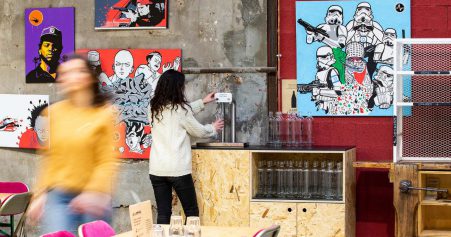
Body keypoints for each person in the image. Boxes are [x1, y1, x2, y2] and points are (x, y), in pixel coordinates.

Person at [27, 55, 119, 234]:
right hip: (59, 196)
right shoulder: (53, 113)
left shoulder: (104, 114)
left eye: (77, 71)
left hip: (95, 196)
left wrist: (95, 192)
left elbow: (106, 161)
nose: (71, 77)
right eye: (65, 73)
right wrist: (40, 195)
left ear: (89, 77)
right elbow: (49, 158)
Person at [149, 69, 224, 224]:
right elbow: (199, 131)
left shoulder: (152, 108)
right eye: (182, 86)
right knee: (191, 213)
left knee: (163, 213)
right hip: (178, 170)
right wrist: (212, 127)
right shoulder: (181, 110)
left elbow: (177, 114)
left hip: (157, 169)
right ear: (178, 88)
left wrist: (202, 102)